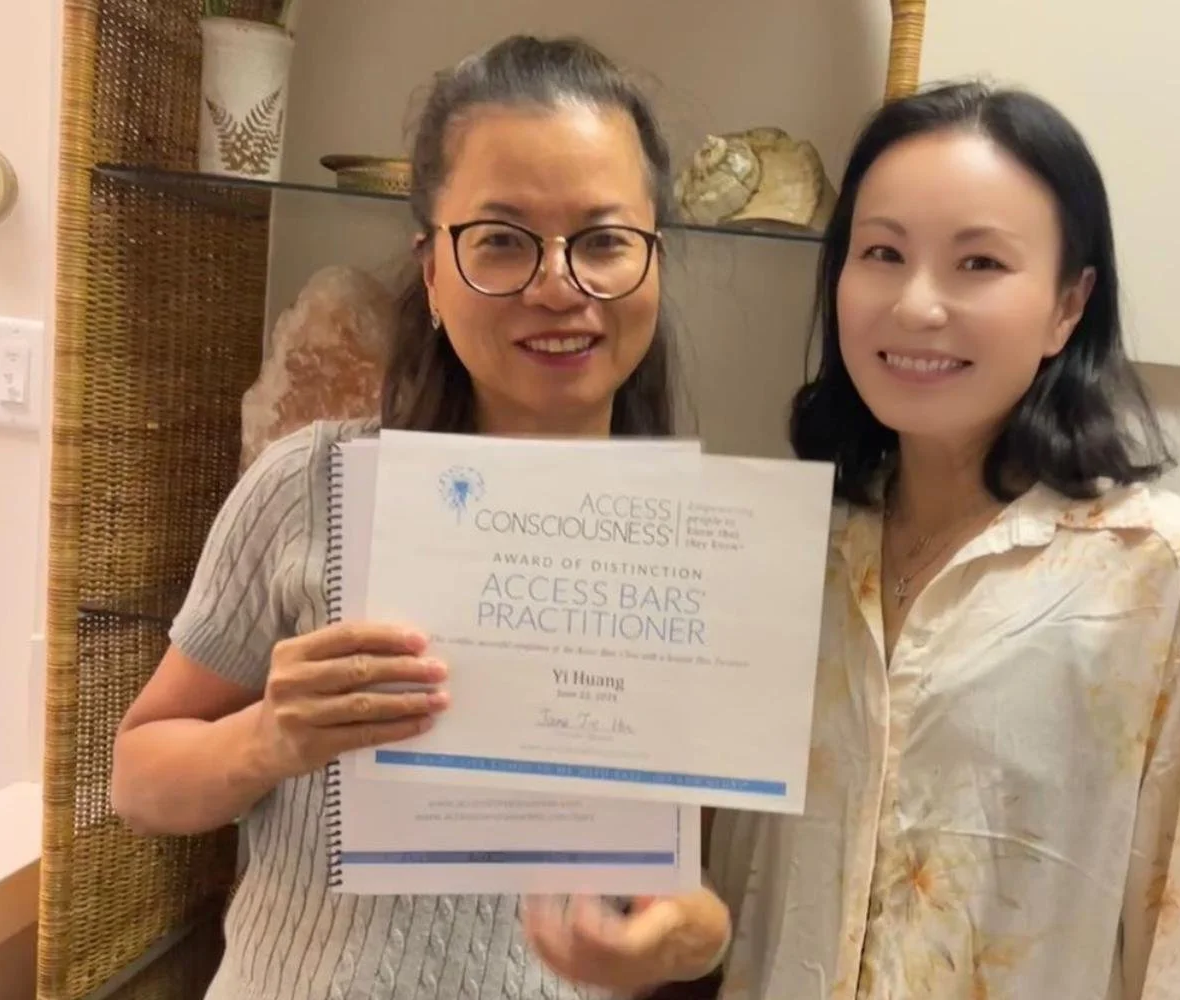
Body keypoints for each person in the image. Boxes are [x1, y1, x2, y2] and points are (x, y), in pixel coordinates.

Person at [533, 80, 1180, 999]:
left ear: (1068, 305)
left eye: (979, 265)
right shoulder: (776, 557)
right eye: (881, 252)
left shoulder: (1169, 582)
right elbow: (716, 901)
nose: (918, 305)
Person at [110, 35, 729, 1000]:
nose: (558, 283)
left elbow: (679, 883)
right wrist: (269, 739)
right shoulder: (309, 484)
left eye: (604, 239)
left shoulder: (687, 546)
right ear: (433, 272)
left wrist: (673, 943)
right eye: (501, 240)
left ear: (654, 261)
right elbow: (138, 779)